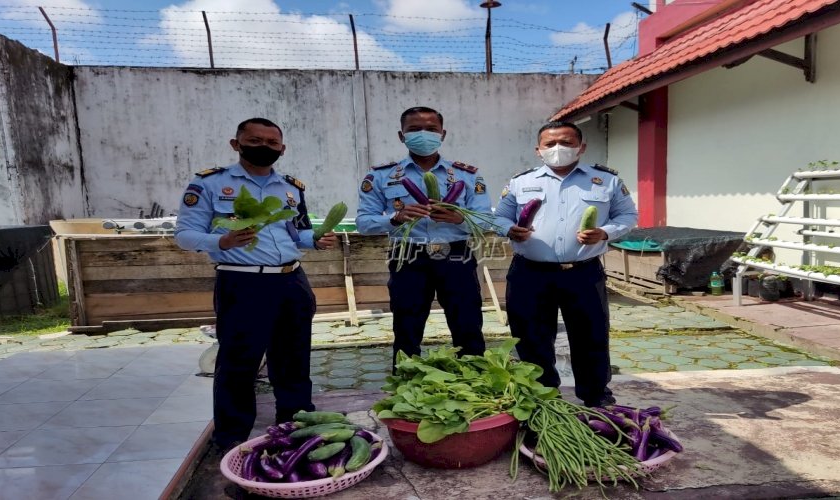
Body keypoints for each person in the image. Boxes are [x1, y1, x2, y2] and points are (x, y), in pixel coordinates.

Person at [175, 118, 338, 450]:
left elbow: (297, 233)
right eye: (255, 140)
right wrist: (222, 241)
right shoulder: (208, 184)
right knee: (239, 362)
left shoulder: (292, 188)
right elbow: (184, 235)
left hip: (291, 282)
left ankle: (294, 426)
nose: (264, 147)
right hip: (242, 284)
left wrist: (316, 239)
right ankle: (232, 437)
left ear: (282, 148)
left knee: (293, 360)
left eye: (271, 142)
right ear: (236, 144)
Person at [493, 121, 638, 408]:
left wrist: (605, 232)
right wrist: (509, 229)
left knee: (591, 336)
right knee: (531, 338)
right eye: (550, 144)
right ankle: (543, 396)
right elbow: (498, 217)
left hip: (582, 273)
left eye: (567, 142)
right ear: (538, 150)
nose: (558, 148)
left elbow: (627, 216)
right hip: (530, 273)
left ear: (581, 147)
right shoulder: (521, 182)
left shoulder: (606, 181)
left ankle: (596, 396)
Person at [356, 106, 490, 368]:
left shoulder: (466, 175)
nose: (423, 134)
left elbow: (487, 219)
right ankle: (406, 387)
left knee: (467, 324)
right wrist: (394, 218)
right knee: (407, 326)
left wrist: (460, 218)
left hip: (456, 254)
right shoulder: (381, 175)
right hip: (408, 255)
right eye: (414, 129)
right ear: (401, 135)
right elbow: (363, 222)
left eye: (430, 129)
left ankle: (475, 383)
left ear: (443, 133)